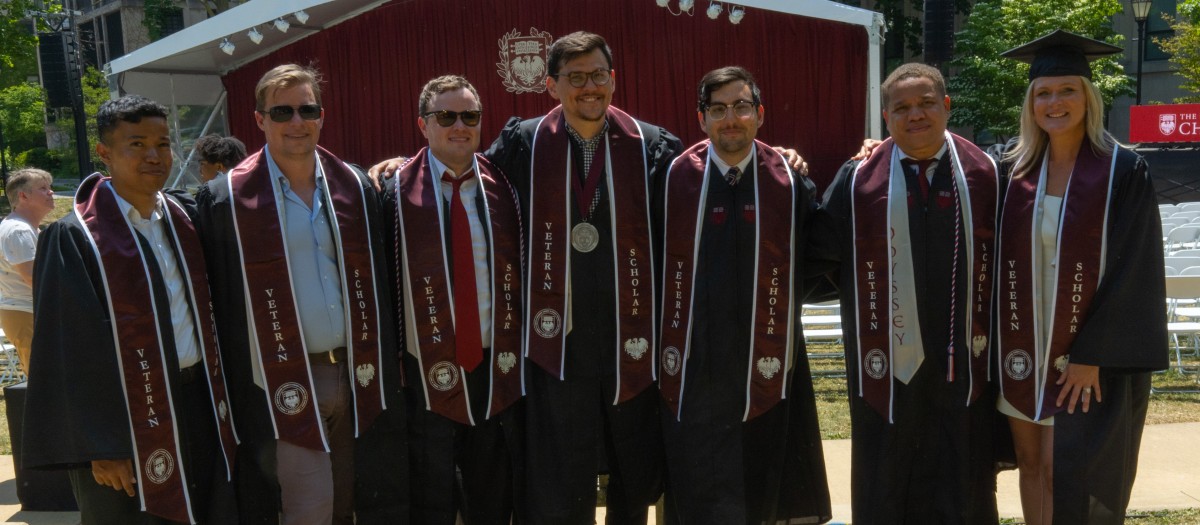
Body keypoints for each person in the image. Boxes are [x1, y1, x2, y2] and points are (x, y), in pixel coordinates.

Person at [195, 64, 407, 525]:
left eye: (307, 109)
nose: (297, 121)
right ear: (259, 120)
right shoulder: (226, 199)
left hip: (355, 371)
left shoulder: (354, 185)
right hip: (283, 375)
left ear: (322, 115)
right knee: (308, 505)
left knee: (351, 501)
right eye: (282, 111)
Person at [22, 95, 238, 524]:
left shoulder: (185, 218)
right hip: (124, 419)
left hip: (197, 403)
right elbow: (69, 352)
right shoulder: (76, 237)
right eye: (136, 144)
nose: (153, 156)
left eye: (162, 143)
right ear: (104, 153)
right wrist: (101, 447)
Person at [809, 63, 1001, 523]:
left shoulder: (988, 174)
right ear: (886, 117)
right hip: (886, 368)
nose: (915, 115)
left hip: (963, 364)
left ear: (947, 106)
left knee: (962, 475)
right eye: (902, 107)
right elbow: (818, 255)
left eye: (926, 103)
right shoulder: (859, 180)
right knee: (887, 475)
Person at [992, 30, 1168, 524]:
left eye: (1067, 89)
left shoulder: (1124, 170)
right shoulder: (1013, 169)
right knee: (1031, 464)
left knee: (1067, 468)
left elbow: (1135, 266)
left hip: (1083, 355)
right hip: (1021, 348)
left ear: (1087, 97)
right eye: (1043, 93)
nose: (1055, 102)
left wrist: (1093, 354)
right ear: (1031, 104)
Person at [655, 66, 831, 523]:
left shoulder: (790, 183)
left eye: (741, 107)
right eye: (718, 109)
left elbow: (816, 260)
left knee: (762, 478)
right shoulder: (672, 179)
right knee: (698, 479)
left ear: (760, 114)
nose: (730, 118)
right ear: (701, 119)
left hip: (765, 354)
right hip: (696, 362)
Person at [382, 75, 524, 523]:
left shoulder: (505, 187)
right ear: (423, 125)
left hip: (492, 366)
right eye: (446, 116)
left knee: (492, 496)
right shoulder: (392, 192)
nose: (459, 125)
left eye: (470, 116)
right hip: (425, 371)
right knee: (432, 498)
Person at [0, 167, 55, 376]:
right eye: (43, 188)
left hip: (28, 312)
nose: (51, 192)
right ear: (23, 196)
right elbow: (35, 279)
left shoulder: (27, 228)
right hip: (24, 313)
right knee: (43, 380)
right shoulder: (19, 230)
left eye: (49, 187)